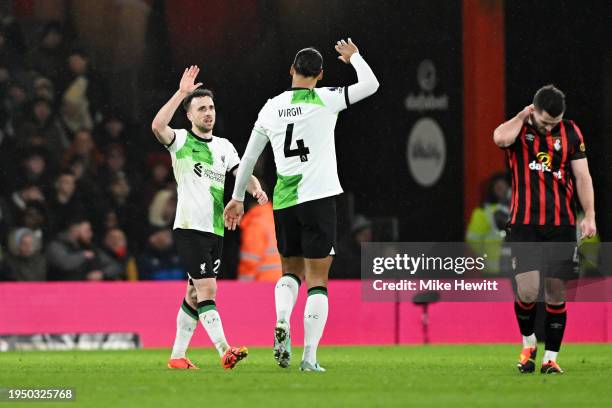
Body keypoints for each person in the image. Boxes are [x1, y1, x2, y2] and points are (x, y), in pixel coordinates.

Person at [224, 38, 379, 371]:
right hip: (319, 199)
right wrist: (354, 58)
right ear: (320, 75)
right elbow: (371, 85)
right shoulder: (326, 99)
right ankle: (309, 357)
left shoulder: (270, 107)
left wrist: (237, 198)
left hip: (284, 202)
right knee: (318, 282)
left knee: (289, 273)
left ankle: (282, 317)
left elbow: (249, 157)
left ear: (292, 70)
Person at [151, 65, 268, 370]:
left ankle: (177, 356)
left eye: (211, 107)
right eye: (201, 108)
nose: (208, 113)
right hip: (190, 227)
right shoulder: (180, 141)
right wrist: (181, 93)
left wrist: (255, 190)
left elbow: (242, 175)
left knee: (193, 293)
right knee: (208, 289)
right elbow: (157, 125)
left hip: (215, 230)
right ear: (189, 115)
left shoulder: (224, 147)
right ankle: (224, 350)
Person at [493, 84, 596, 374]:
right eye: (546, 122)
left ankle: (551, 358)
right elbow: (499, 138)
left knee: (555, 293)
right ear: (534, 111)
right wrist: (521, 116)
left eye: (556, 123)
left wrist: (589, 214)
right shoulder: (519, 129)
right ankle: (528, 344)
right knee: (527, 291)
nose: (551, 128)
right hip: (524, 225)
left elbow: (583, 176)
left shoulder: (571, 132)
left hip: (561, 226)